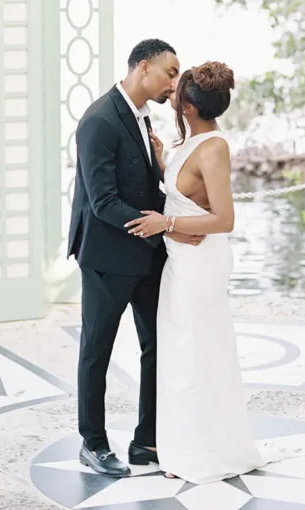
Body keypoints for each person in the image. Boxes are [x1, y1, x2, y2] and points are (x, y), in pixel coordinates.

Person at [126, 62, 301, 483]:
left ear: (188, 105)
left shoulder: (214, 147)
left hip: (200, 266)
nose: (169, 93)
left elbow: (224, 219)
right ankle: (185, 445)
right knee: (183, 354)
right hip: (182, 261)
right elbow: (189, 191)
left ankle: (198, 455)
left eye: (175, 91)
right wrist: (162, 159)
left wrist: (165, 224)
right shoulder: (191, 140)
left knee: (192, 355)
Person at [68, 39, 204, 477]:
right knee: (96, 352)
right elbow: (102, 201)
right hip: (108, 258)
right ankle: (93, 443)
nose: (174, 83)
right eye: (169, 72)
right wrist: (158, 227)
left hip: (147, 257)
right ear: (143, 67)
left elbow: (145, 187)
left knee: (157, 346)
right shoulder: (99, 121)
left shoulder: (141, 117)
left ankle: (147, 440)